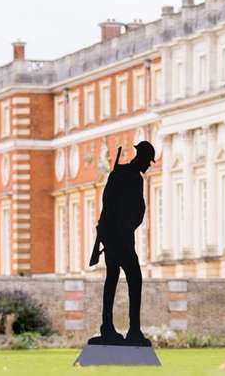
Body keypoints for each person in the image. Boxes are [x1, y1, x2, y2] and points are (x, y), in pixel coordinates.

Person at [88, 140, 155, 347]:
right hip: (120, 237)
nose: (147, 166)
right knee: (133, 278)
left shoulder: (122, 174)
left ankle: (109, 326)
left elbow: (111, 203)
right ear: (142, 158)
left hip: (117, 235)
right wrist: (125, 226)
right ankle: (130, 328)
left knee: (113, 278)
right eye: (148, 162)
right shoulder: (131, 177)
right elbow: (123, 206)